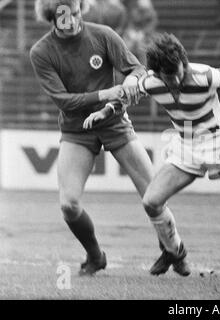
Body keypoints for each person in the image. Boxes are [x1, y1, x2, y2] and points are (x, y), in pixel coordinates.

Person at [84, 32, 220, 275]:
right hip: (186, 147)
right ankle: (175, 252)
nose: (177, 78)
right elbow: (128, 95)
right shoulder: (151, 82)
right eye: (170, 76)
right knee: (151, 202)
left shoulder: (206, 76)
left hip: (219, 143)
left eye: (180, 70)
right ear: (158, 73)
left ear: (184, 61)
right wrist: (106, 112)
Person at [30, 0, 190, 277]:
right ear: (51, 20)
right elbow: (64, 102)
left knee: (154, 195)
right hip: (76, 130)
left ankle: (174, 251)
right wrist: (108, 93)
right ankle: (95, 256)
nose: (74, 22)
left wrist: (130, 82)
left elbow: (138, 69)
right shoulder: (41, 52)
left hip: (115, 123)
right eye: (65, 19)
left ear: (81, 8)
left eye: (77, 14)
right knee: (68, 205)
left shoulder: (103, 35)